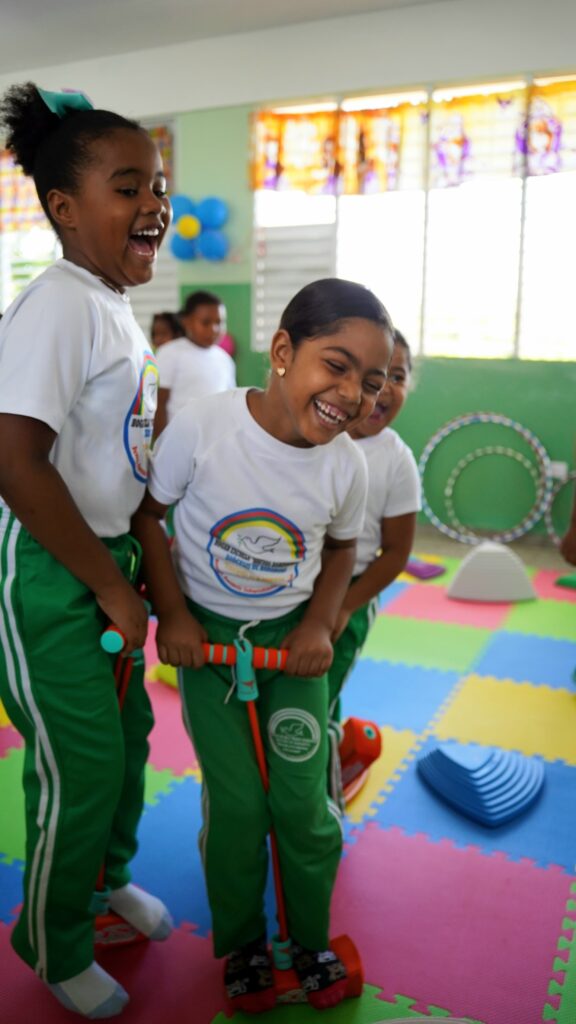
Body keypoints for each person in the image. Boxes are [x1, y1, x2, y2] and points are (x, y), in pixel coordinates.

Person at [131, 278, 394, 1013]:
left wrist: (318, 625)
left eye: (370, 384)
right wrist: (173, 616)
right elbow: (151, 518)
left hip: (290, 648)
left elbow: (342, 550)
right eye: (335, 365)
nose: (352, 394)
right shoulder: (206, 428)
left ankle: (308, 938)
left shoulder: (347, 462)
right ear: (282, 351)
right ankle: (245, 942)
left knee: (305, 806)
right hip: (210, 645)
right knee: (241, 806)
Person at [0, 82, 173, 1019]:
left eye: (157, 183)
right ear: (64, 208)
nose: (153, 201)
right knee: (78, 763)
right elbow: (13, 462)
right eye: (126, 185)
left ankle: (101, 884)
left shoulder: (113, 309)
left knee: (127, 747)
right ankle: (51, 939)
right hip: (52, 571)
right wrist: (109, 585)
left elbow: (117, 456)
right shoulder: (59, 305)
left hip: (110, 567)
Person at [327, 329, 421, 807]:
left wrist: (346, 606)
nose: (384, 388)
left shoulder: (397, 460)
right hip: (292, 591)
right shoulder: (319, 437)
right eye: (373, 377)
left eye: (397, 377)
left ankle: (320, 788)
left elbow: (397, 553)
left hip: (353, 596)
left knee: (320, 697)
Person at [153, 288, 236, 436]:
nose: (214, 329)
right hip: (179, 441)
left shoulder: (225, 360)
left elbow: (229, 404)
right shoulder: (170, 353)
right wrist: (162, 445)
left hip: (214, 443)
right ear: (187, 322)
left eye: (219, 322)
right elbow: (159, 404)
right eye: (205, 322)